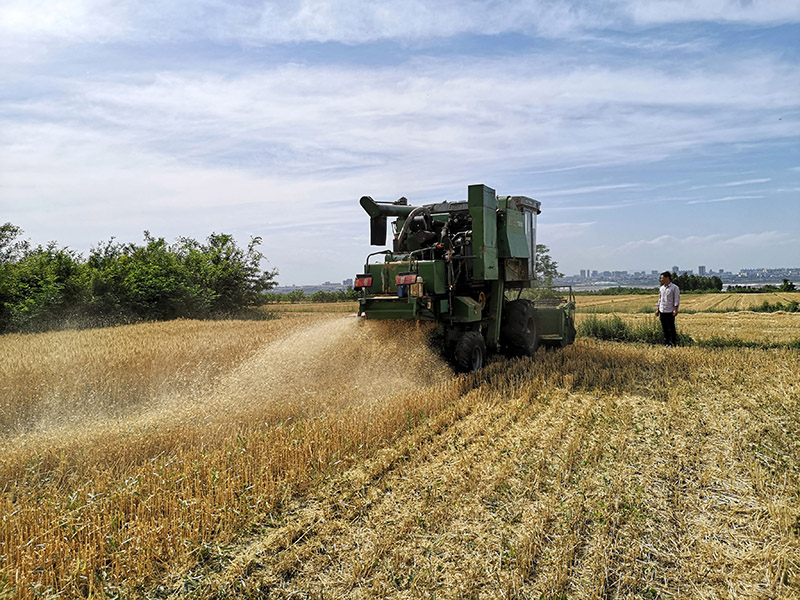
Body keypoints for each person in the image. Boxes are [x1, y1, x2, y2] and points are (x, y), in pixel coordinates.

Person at [655, 271, 680, 346]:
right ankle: (667, 342)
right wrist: (658, 309)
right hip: (662, 310)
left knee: (671, 328)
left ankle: (673, 343)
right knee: (664, 328)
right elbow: (660, 299)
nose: (661, 280)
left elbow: (676, 299)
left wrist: (675, 309)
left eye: (662, 278)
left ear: (667, 278)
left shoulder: (674, 288)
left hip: (670, 311)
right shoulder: (661, 288)